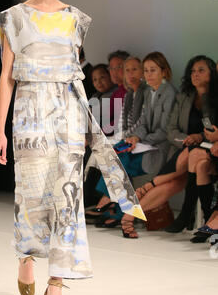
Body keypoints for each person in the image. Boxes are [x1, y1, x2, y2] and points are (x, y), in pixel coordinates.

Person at [0, 0, 145, 295]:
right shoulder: (14, 17)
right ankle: (26, 255)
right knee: (31, 193)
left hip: (68, 116)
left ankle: (56, 285)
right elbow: (7, 77)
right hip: (29, 114)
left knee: (68, 198)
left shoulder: (76, 18)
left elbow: (72, 74)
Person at [93, 51, 176, 235]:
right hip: (144, 145)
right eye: (146, 70)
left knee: (121, 159)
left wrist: (139, 139)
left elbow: (164, 130)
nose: (148, 75)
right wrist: (135, 138)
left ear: (164, 71)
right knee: (119, 154)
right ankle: (117, 206)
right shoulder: (150, 93)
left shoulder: (167, 92)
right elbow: (144, 123)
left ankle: (111, 200)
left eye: (152, 70)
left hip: (159, 148)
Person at [135, 56, 218, 236]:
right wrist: (187, 139)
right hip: (183, 146)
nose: (195, 74)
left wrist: (199, 137)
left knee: (193, 160)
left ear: (212, 73)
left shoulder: (213, 98)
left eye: (201, 70)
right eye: (193, 71)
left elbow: (211, 129)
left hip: (205, 148)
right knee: (175, 179)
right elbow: (171, 129)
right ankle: (132, 214)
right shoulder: (184, 96)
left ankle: (186, 212)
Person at [85, 57, 146, 225]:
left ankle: (108, 200)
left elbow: (142, 123)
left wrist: (128, 137)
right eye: (126, 70)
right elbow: (121, 124)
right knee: (114, 153)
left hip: (144, 141)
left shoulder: (142, 93)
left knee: (116, 155)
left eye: (133, 69)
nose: (129, 74)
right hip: (129, 139)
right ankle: (117, 209)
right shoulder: (127, 93)